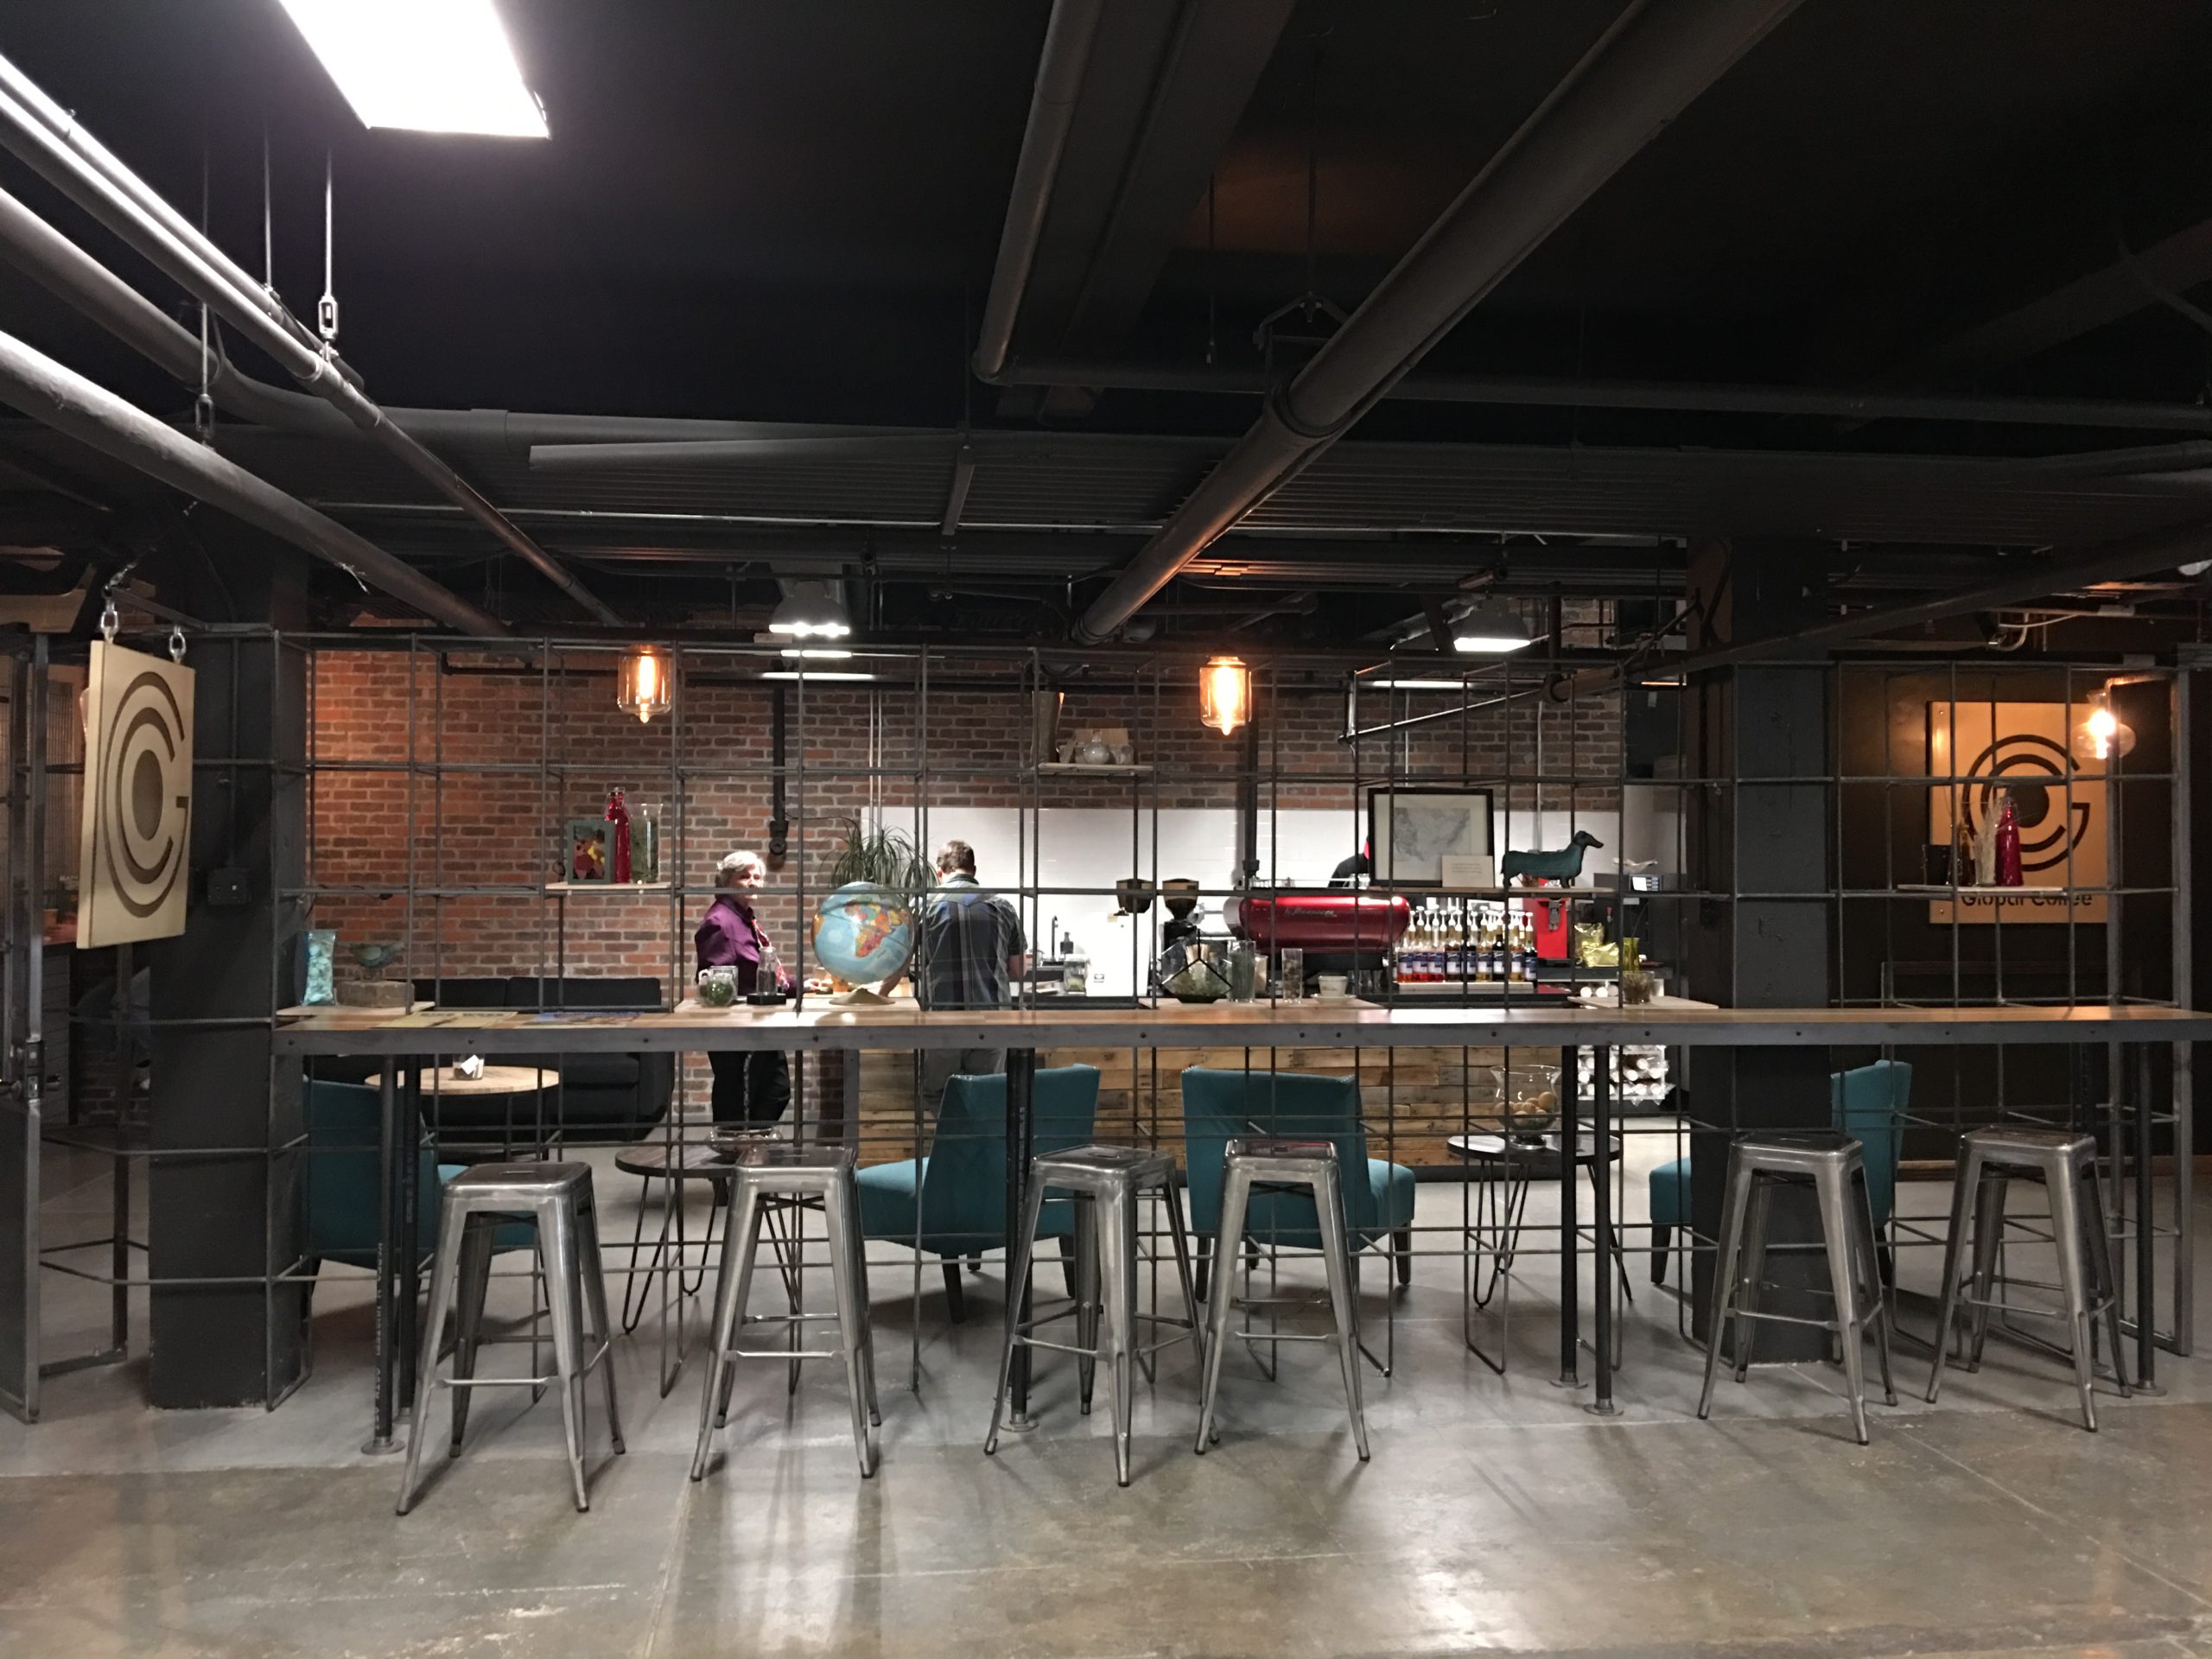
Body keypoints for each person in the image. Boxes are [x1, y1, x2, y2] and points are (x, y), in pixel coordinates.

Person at [914, 839, 1027, 1118]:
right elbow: (1018, 970)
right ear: (974, 870)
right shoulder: (1003, 906)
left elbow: (903, 961)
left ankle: (948, 1143)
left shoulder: (924, 906)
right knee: (986, 1100)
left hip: (942, 1023)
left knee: (940, 1097)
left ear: (939, 872)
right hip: (992, 1023)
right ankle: (979, 1145)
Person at [696, 849, 791, 1128]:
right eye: (744, 877)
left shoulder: (742, 918)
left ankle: (749, 1145)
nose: (753, 882)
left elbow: (758, 970)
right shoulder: (720, 921)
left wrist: (800, 986)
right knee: (742, 1095)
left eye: (757, 877)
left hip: (757, 1019)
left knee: (771, 1089)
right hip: (737, 1028)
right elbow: (716, 982)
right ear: (726, 880)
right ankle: (736, 1148)